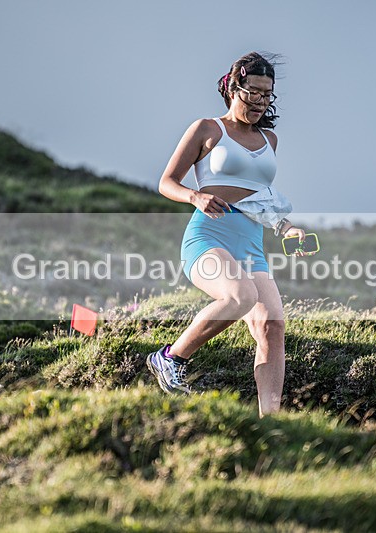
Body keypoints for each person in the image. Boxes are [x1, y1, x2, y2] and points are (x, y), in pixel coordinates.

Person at [146, 51, 305, 416]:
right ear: (235, 87)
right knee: (240, 296)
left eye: (268, 95)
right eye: (254, 92)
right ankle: (169, 358)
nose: (261, 102)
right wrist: (195, 196)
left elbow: (262, 200)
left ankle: (272, 422)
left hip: (250, 241)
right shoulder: (207, 128)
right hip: (209, 235)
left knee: (273, 325)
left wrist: (286, 227)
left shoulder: (270, 140)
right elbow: (166, 182)